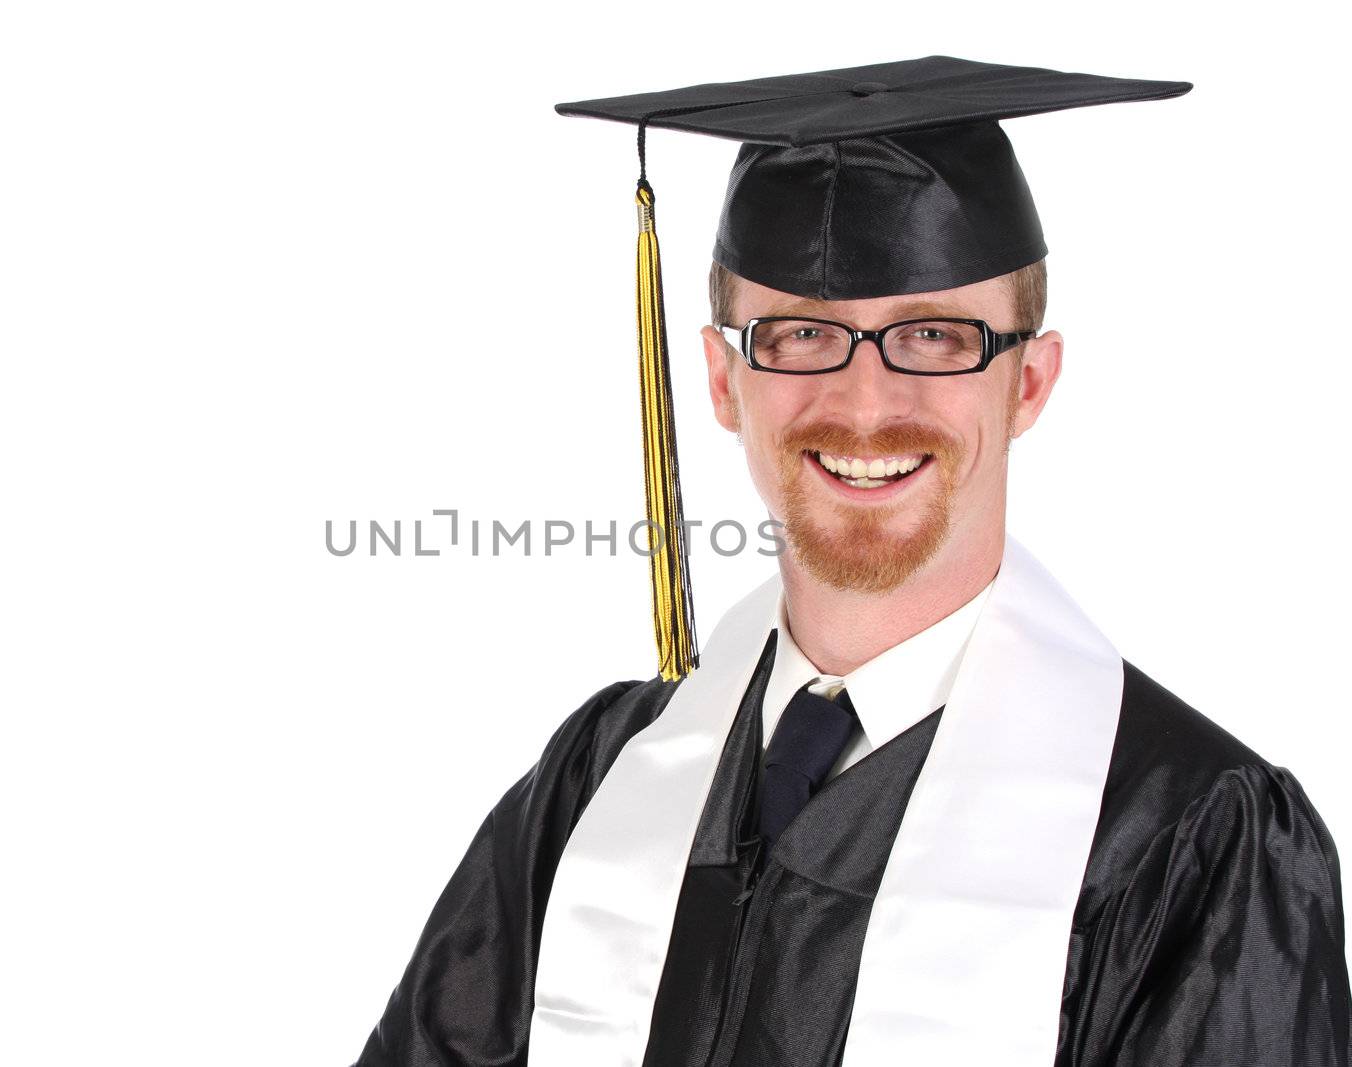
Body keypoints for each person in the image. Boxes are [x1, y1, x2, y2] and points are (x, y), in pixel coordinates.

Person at [355, 57, 1352, 1067]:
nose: (866, 404)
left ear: (1031, 383)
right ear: (720, 378)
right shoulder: (600, 776)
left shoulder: (1190, 833)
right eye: (798, 335)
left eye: (933, 335)